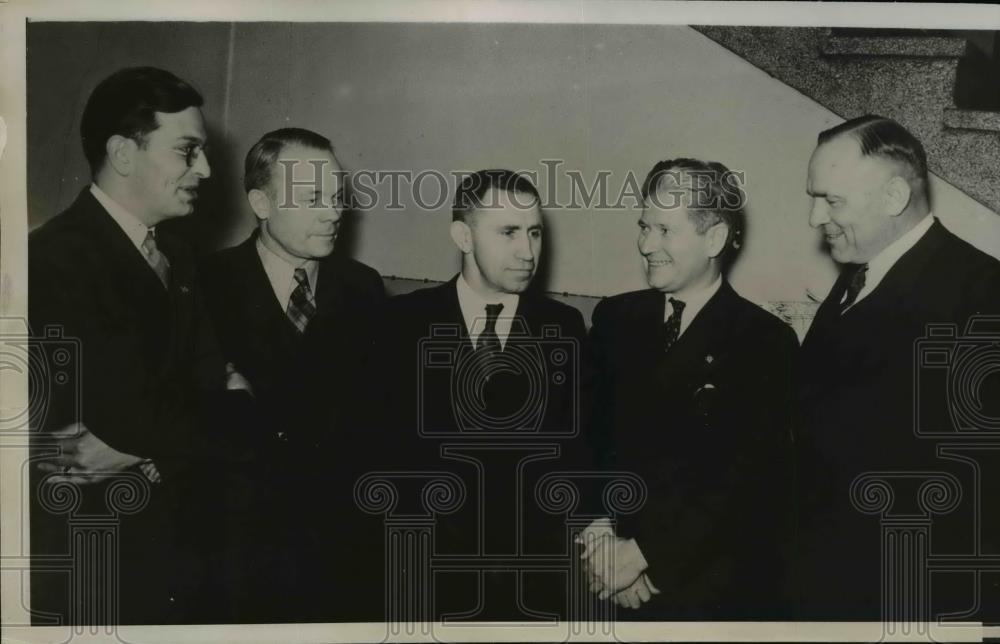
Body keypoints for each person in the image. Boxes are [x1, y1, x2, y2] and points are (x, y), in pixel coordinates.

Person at [28, 67, 253, 624]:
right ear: (123, 154)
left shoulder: (178, 256)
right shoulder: (55, 258)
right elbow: (131, 412)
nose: (205, 169)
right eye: (187, 151)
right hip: (95, 550)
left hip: (175, 540)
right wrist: (236, 405)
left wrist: (149, 444)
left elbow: (148, 420)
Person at [796, 115, 1000, 620]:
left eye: (831, 200)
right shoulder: (857, 278)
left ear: (892, 198)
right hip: (831, 581)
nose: (814, 218)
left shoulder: (981, 292)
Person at [367, 169, 591, 621]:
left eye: (533, 233)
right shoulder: (398, 324)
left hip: (535, 583)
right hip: (424, 581)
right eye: (507, 232)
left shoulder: (565, 327)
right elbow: (376, 456)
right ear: (463, 236)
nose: (527, 252)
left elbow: (579, 452)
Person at [584, 158, 798, 619]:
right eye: (644, 227)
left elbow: (747, 480)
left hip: (700, 590)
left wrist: (644, 560)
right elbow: (589, 436)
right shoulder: (614, 318)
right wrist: (600, 535)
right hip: (601, 577)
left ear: (714, 238)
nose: (645, 245)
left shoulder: (764, 341)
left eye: (664, 230)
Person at [199, 127, 385, 621]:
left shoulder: (363, 289)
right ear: (261, 202)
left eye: (337, 196)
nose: (334, 212)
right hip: (238, 549)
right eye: (312, 199)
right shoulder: (203, 285)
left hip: (340, 549)